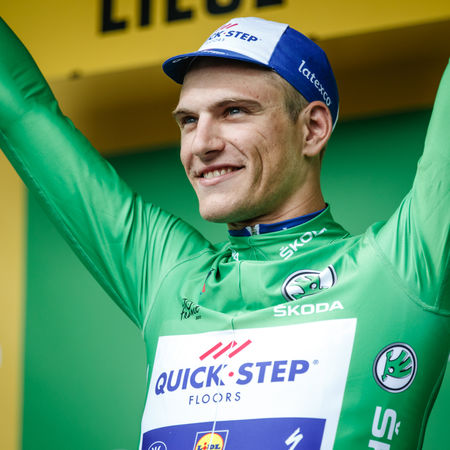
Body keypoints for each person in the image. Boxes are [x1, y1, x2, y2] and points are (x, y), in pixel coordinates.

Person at [0, 15, 448, 450]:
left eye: (233, 111)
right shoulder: (169, 278)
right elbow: (23, 113)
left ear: (312, 129)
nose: (201, 144)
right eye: (188, 121)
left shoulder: (400, 269)